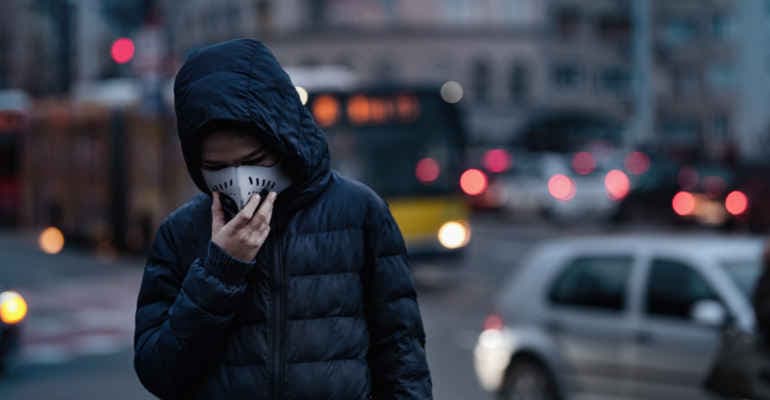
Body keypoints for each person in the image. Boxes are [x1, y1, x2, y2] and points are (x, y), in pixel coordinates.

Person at [133, 39, 432, 399]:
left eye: (253, 159)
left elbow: (401, 358)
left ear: (283, 143)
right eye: (217, 167)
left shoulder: (359, 212)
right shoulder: (181, 234)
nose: (238, 179)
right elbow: (160, 372)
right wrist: (220, 271)